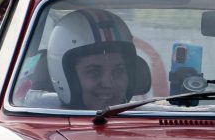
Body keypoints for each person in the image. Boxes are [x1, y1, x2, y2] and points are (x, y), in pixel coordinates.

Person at [16, 8, 150, 110]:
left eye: (118, 71)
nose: (108, 83)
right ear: (64, 76)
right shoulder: (28, 123)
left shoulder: (155, 118)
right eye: (94, 72)